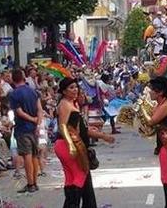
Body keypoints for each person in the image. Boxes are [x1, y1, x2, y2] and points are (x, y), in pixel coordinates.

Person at [55, 77, 115, 208]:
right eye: (71, 87)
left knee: (71, 177)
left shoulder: (72, 103)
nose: (75, 90)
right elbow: (62, 126)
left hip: (68, 143)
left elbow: (79, 129)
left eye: (76, 87)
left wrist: (102, 135)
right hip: (66, 144)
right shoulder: (65, 104)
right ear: (64, 91)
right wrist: (71, 145)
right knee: (80, 175)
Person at [143, 77, 167, 208]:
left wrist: (140, 108)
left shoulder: (165, 107)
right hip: (164, 144)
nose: (150, 92)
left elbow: (150, 122)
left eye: (152, 89)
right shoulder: (160, 105)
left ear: (160, 92)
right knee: (166, 177)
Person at [9, 69, 42, 193]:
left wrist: (32, 120)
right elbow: (39, 109)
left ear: (13, 79)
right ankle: (35, 182)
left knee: (27, 155)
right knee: (34, 155)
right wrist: (38, 123)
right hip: (33, 129)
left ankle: (30, 183)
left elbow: (19, 112)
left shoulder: (14, 94)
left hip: (22, 128)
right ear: (24, 77)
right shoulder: (33, 92)